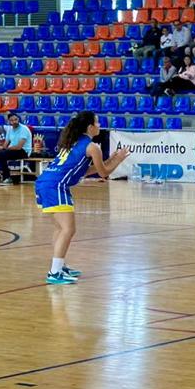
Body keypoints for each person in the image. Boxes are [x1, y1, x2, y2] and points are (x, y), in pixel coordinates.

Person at [35, 111, 130, 285]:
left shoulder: (74, 142)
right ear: (90, 127)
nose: (100, 125)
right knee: (68, 230)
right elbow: (104, 173)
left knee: (60, 228)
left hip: (45, 182)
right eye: (98, 122)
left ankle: (59, 266)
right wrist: (118, 160)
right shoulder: (93, 147)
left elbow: (83, 171)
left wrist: (112, 159)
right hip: (55, 186)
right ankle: (54, 272)